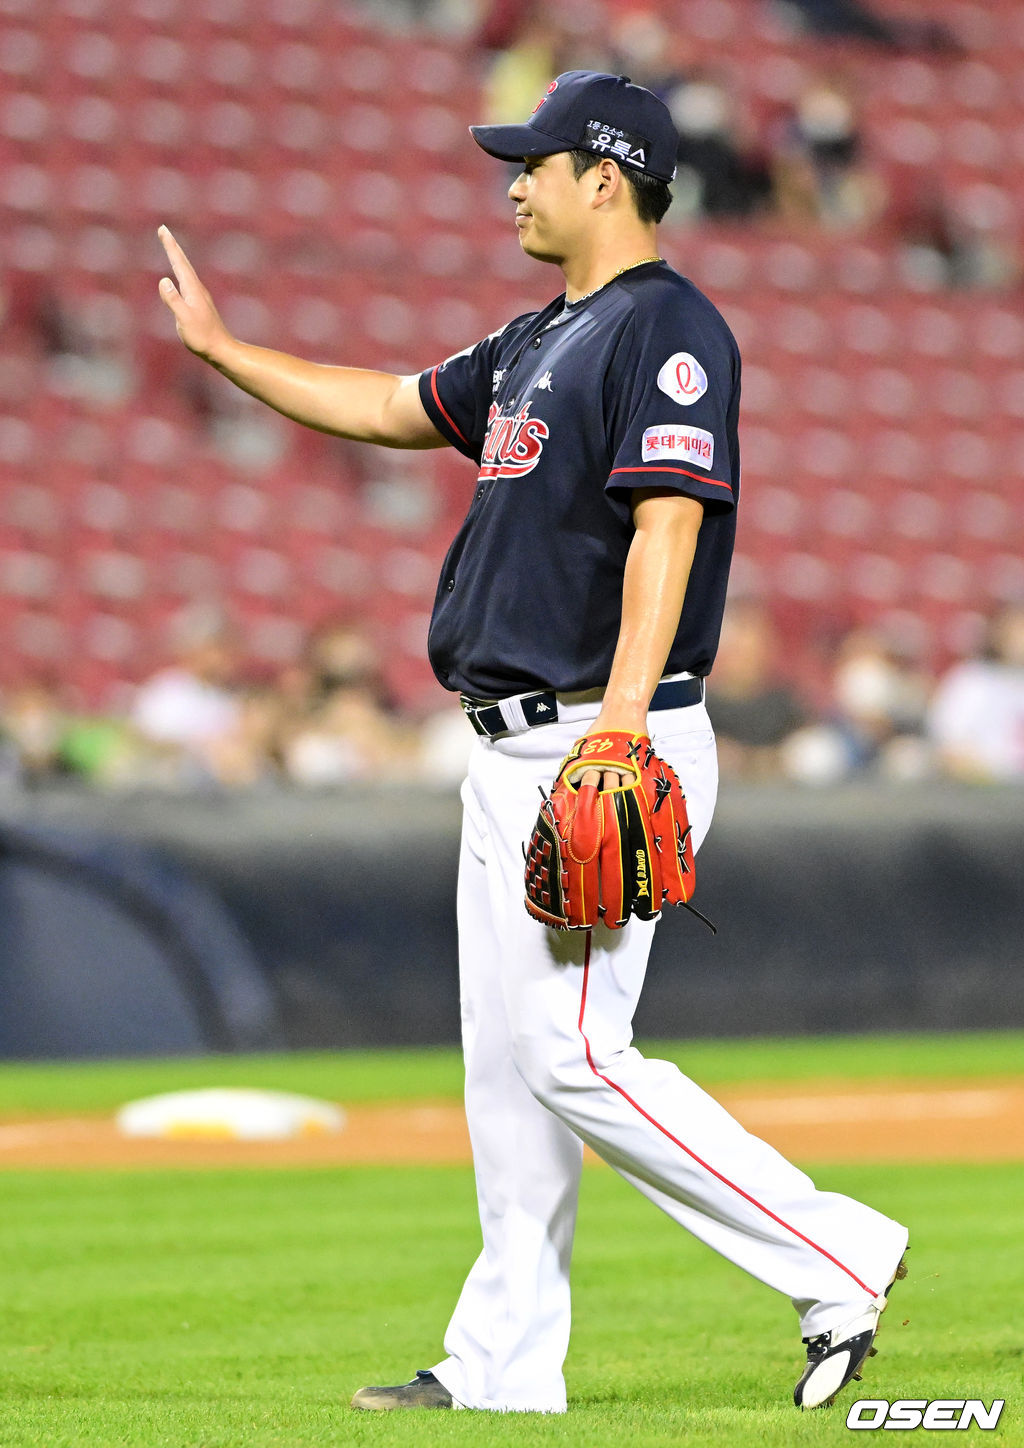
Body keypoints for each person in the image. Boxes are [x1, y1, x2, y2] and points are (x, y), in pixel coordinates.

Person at [157, 69, 907, 1414]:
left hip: (601, 739)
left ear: (603, 178)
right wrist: (227, 354)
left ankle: (837, 1253)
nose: (513, 183)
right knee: (507, 1077)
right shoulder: (532, 339)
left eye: (534, 163)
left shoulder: (668, 328)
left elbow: (669, 526)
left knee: (570, 1054)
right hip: (509, 748)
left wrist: (617, 728)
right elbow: (389, 406)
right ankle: (503, 1366)